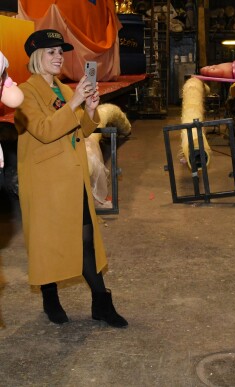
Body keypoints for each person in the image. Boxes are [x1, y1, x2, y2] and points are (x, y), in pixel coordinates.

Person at [14, 29, 127, 328]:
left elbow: (83, 131)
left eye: (60, 52)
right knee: (46, 241)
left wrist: (89, 110)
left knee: (87, 239)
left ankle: (101, 302)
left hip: (72, 179)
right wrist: (76, 102)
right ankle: (50, 299)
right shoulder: (25, 92)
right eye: (51, 52)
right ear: (37, 57)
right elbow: (45, 130)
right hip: (45, 184)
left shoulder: (64, 90)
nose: (58, 56)